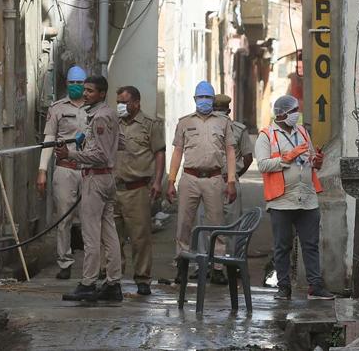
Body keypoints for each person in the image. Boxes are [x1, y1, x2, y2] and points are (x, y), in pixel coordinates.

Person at [254, 94, 334, 300]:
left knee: (311, 244)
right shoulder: (267, 135)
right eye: (292, 111)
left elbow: (309, 160)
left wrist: (317, 161)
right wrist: (286, 158)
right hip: (281, 199)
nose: (296, 115)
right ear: (281, 114)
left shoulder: (302, 132)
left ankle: (315, 286)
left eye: (296, 110)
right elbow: (262, 164)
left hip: (307, 197)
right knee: (283, 245)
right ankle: (284, 288)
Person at [56, 75, 123, 302]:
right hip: (107, 178)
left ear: (102, 94)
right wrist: (84, 140)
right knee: (109, 232)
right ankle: (113, 283)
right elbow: (120, 142)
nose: (85, 94)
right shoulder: (109, 114)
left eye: (90, 91)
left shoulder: (100, 118)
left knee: (91, 234)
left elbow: (101, 155)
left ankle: (88, 283)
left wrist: (71, 154)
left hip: (96, 178)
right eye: (85, 90)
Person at [166, 81, 237, 285]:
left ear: (213, 100)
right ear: (194, 100)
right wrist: (171, 180)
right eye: (200, 98)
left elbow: (231, 151)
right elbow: (177, 152)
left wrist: (230, 180)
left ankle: (217, 268)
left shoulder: (223, 123)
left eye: (207, 98)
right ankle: (182, 266)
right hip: (189, 178)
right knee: (183, 225)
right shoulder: (184, 122)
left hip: (214, 178)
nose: (204, 101)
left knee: (216, 225)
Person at [191, 94, 253, 282]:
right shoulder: (239, 129)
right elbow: (248, 158)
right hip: (227, 182)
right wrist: (234, 176)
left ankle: (204, 265)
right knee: (230, 226)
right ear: (229, 110)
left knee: (204, 225)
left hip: (209, 180)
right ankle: (228, 265)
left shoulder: (204, 127)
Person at [37, 65, 88, 280]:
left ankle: (92, 264)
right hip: (65, 169)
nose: (76, 87)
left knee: (90, 218)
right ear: (66, 84)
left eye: (80, 83)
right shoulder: (57, 108)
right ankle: (65, 262)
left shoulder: (94, 108)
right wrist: (42, 170)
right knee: (64, 218)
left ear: (85, 85)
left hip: (88, 170)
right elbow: (49, 138)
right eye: (72, 83)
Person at [113, 86, 165, 296]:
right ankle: (113, 278)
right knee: (111, 237)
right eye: (118, 102)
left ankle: (142, 278)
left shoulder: (149, 125)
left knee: (140, 237)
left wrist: (157, 182)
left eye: (124, 102)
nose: (120, 106)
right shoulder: (113, 124)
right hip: (113, 189)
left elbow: (159, 153)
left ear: (136, 103)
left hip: (137, 189)